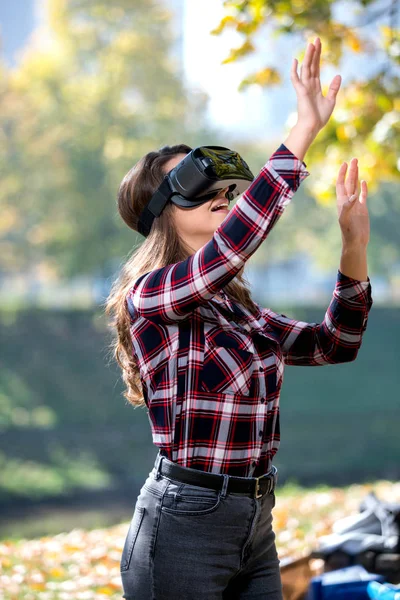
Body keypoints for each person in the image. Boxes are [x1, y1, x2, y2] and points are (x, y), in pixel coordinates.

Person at [106, 37, 373, 600]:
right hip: (183, 526)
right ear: (162, 212)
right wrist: (301, 130)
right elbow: (230, 249)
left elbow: (335, 343)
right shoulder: (151, 295)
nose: (222, 194)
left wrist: (353, 247)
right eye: (197, 187)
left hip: (254, 518)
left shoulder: (237, 308)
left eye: (225, 187)